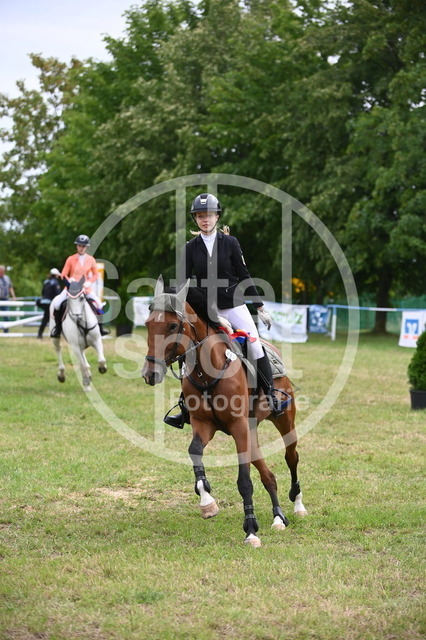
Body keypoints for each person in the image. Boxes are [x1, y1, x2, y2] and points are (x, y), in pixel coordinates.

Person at [164, 193, 287, 428]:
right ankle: (185, 407)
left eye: (209, 215)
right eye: (200, 216)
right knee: (189, 349)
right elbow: (183, 282)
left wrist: (259, 306)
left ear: (217, 217)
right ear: (195, 219)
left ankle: (270, 394)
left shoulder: (230, 243)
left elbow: (244, 275)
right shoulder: (190, 247)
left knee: (253, 344)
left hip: (233, 306)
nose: (205, 220)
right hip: (206, 309)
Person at [50, 235, 109, 337]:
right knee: (57, 304)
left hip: (85, 289)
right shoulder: (71, 259)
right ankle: (58, 328)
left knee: (99, 305)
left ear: (86, 247)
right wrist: (70, 282)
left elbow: (96, 275)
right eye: (79, 246)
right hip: (71, 289)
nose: (81, 248)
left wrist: (89, 282)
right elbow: (63, 275)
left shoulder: (91, 259)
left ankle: (100, 328)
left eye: (83, 246)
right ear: (77, 246)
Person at [37, 268, 62, 338]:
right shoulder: (55, 282)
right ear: (56, 275)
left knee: (46, 318)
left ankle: (41, 334)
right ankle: (42, 334)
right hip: (50, 303)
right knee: (50, 318)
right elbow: (58, 293)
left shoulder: (46, 281)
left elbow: (43, 292)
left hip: (43, 302)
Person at [0, 264, 16, 334]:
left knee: (6, 315)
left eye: (2, 271)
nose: (1, 272)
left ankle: (6, 331)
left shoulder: (7, 278)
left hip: (6, 299)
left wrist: (13, 296)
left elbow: (10, 287)